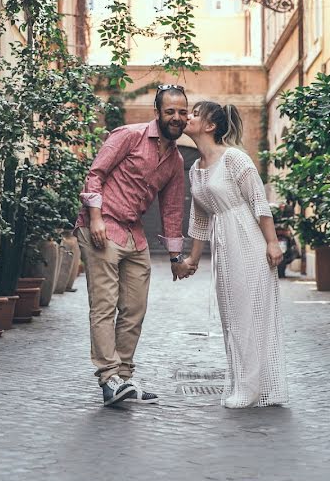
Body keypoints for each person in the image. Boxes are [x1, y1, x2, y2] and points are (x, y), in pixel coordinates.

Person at [75, 84, 194, 406]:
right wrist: (96, 218)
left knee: (134, 309)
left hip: (134, 234)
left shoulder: (175, 160)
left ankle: (124, 378)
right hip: (103, 226)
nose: (177, 117)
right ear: (157, 113)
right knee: (103, 306)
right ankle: (108, 377)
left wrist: (175, 256)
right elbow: (95, 174)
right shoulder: (129, 135)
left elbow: (171, 210)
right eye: (170, 111)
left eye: (182, 112)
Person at [181, 101, 289, 408]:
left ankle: (253, 388)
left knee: (250, 315)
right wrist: (192, 257)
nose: (187, 118)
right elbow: (200, 217)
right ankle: (247, 384)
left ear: (210, 126)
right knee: (232, 316)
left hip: (248, 239)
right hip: (224, 245)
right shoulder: (196, 169)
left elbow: (258, 201)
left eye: (194, 115)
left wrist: (271, 243)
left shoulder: (234, 159)